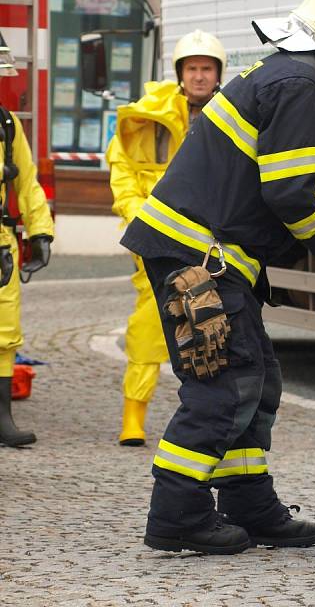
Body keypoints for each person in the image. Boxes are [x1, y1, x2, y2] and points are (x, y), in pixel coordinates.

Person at [121, 0, 315, 555]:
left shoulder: (287, 73)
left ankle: (248, 501)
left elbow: (276, 184)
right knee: (224, 382)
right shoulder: (302, 84)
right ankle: (177, 512)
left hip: (202, 250)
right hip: (200, 257)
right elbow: (285, 194)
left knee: (257, 378)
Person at [106, 29, 225, 447]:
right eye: (191, 68)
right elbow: (122, 167)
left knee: (213, 326)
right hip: (156, 239)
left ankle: (207, 415)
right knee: (149, 324)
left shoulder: (228, 116)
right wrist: (136, 215)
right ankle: (133, 414)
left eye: (206, 69)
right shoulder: (149, 116)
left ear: (217, 74)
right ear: (179, 73)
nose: (198, 76)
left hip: (210, 241)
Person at [0, 33, 54, 446]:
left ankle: (2, 417)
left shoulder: (6, 124)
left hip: (0, 240)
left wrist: (40, 233)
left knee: (5, 330)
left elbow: (29, 183)